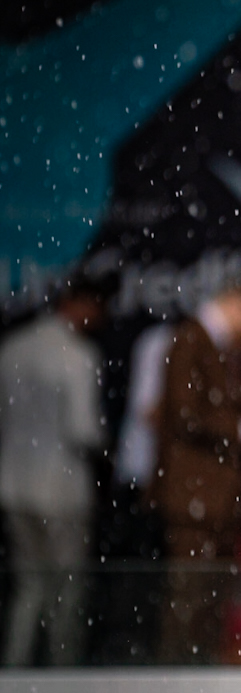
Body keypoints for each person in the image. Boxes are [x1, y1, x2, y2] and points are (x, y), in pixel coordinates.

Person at [155, 280, 241, 663]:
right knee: (189, 600)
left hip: (215, 500)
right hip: (195, 497)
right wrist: (239, 431)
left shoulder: (223, 348)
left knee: (208, 604)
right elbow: (183, 413)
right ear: (239, 302)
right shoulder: (191, 339)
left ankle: (197, 691)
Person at [0, 281, 106, 666]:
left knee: (28, 586)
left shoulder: (12, 348)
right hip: (61, 487)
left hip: (13, 484)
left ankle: (15, 670)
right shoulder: (77, 356)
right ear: (75, 304)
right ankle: (64, 676)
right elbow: (83, 430)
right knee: (66, 588)